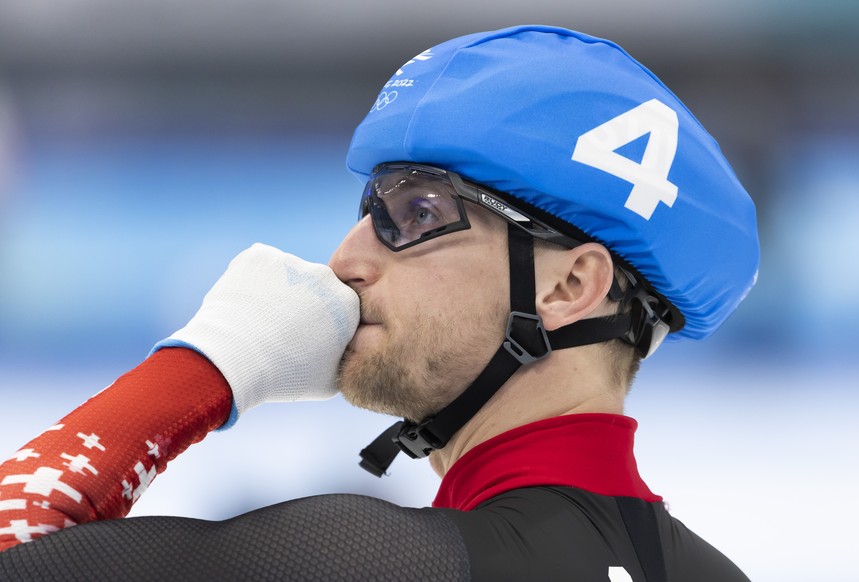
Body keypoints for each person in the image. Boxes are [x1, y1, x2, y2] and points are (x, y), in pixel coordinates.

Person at [0, 25, 758, 581]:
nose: (346, 257)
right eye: (370, 209)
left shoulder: (365, 563)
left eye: (419, 213)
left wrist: (208, 365)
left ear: (569, 287)